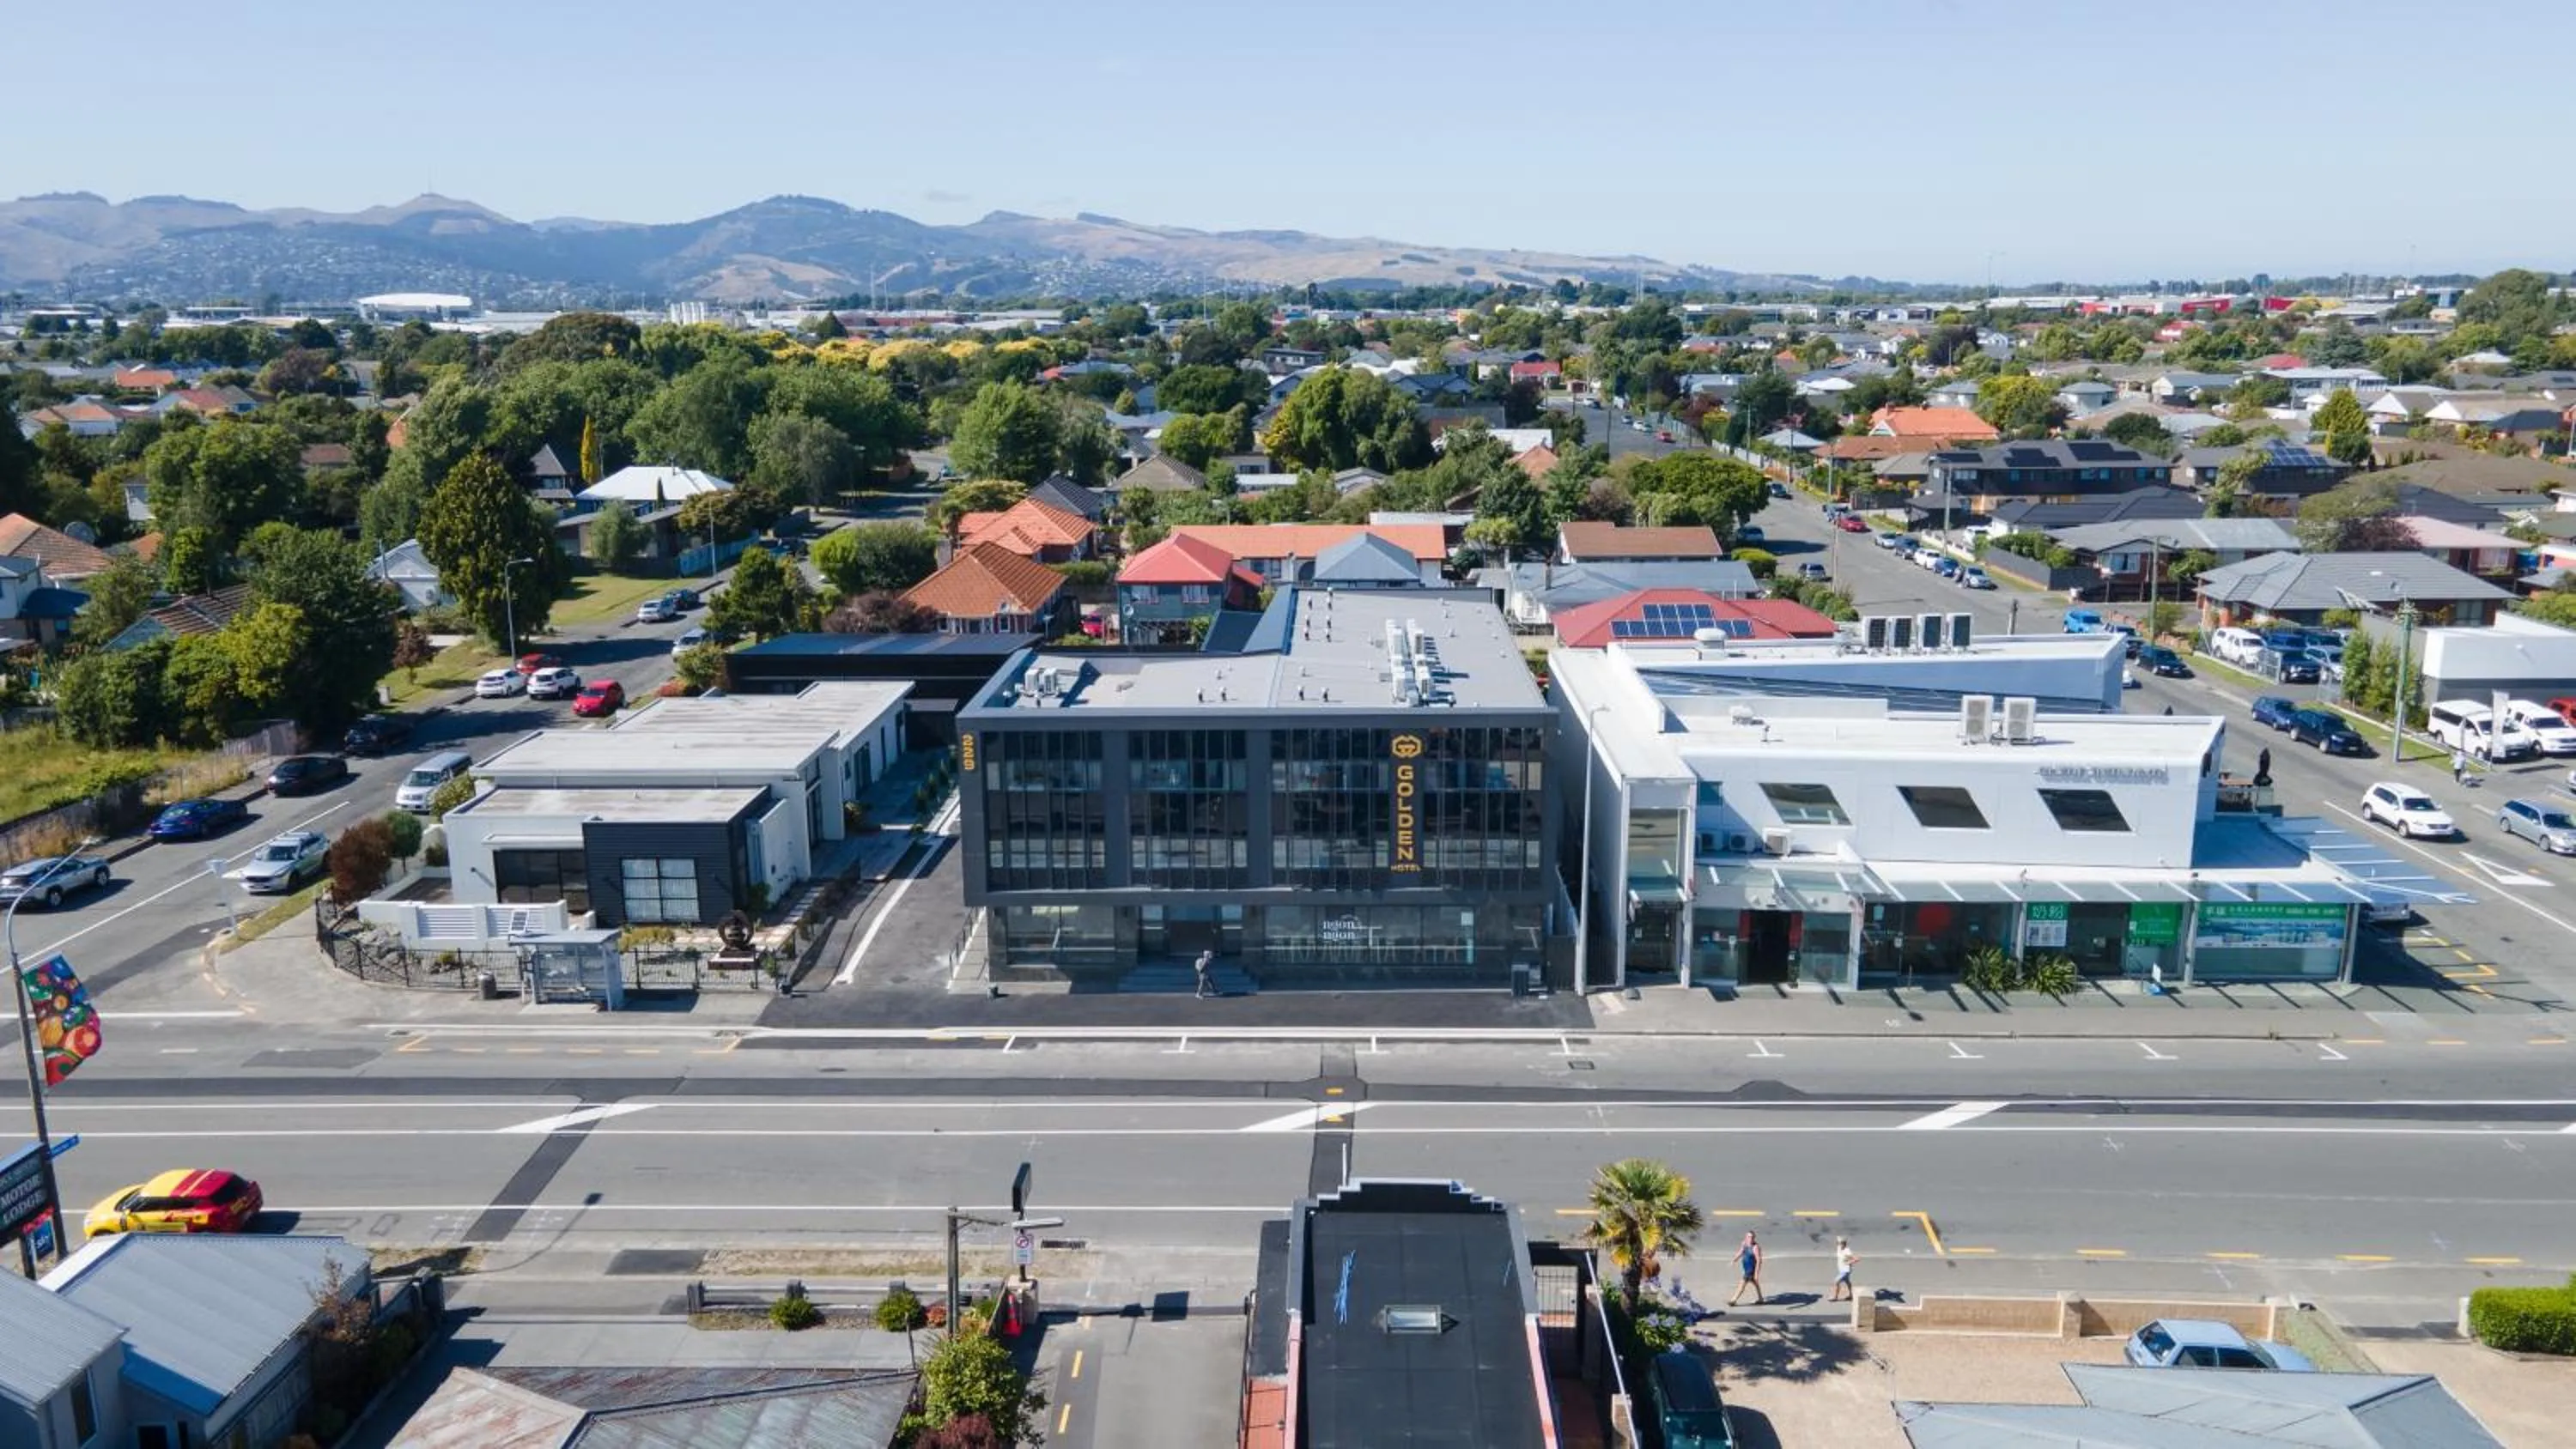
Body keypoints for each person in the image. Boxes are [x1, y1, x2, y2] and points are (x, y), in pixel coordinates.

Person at [1727, 1231, 1764, 1307]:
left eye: (1752, 1237)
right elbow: (1740, 1252)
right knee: (1755, 1283)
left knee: (1742, 1284)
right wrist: (1734, 1260)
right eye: (1749, 1237)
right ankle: (1761, 1299)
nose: (1751, 1239)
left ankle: (1733, 1300)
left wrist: (1756, 1274)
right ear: (1746, 1237)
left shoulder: (1755, 1247)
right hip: (1746, 1268)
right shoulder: (1744, 1244)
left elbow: (1759, 1261)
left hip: (1751, 1269)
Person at [1831, 1237, 1856, 1301]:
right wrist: (1838, 1238)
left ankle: (1835, 1297)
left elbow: (1856, 1259)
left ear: (1844, 1244)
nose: (1840, 1245)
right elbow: (1838, 1240)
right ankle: (1851, 1296)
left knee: (1836, 1282)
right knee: (1848, 1282)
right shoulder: (1839, 1249)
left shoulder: (1847, 1251)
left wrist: (1848, 1262)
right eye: (1839, 1244)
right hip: (1842, 1270)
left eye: (1841, 1244)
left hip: (1845, 1271)